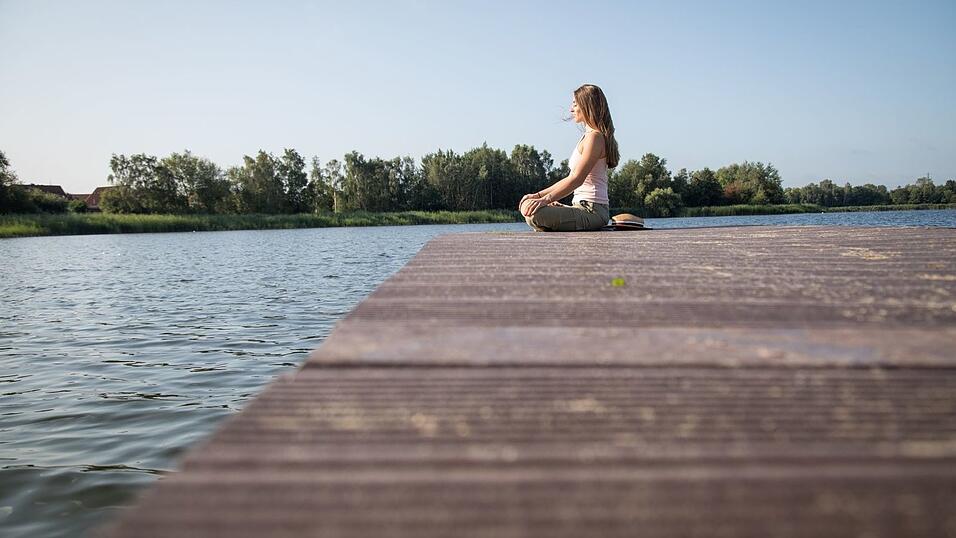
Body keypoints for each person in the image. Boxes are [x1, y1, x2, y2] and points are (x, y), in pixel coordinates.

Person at [519, 84, 619, 231]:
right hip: (581, 206)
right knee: (528, 205)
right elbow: (571, 177)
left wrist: (544, 200)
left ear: (587, 106)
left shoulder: (595, 137)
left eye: (575, 104)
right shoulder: (588, 137)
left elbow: (577, 179)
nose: (571, 109)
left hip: (594, 211)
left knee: (534, 214)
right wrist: (537, 195)